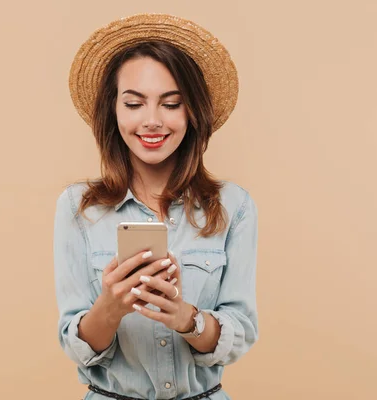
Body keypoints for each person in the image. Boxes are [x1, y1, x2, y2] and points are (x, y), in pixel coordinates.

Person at [54, 13, 259, 400]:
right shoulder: (77, 208)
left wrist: (186, 318)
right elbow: (75, 343)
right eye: (134, 103)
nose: (152, 121)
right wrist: (111, 307)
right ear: (113, 112)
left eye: (171, 104)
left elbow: (240, 333)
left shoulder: (234, 206)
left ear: (192, 113)